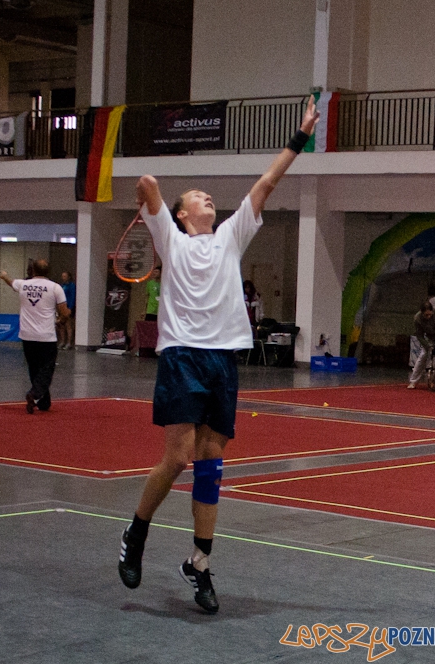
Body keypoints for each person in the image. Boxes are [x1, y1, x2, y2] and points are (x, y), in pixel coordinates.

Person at [118, 95, 320, 614]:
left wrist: (300, 137)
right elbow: (151, 196)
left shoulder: (232, 236)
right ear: (183, 215)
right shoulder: (171, 238)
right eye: (199, 198)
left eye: (210, 197)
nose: (209, 199)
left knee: (210, 463)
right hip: (183, 356)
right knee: (178, 456)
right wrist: (150, 188)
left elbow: (266, 184)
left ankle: (200, 565)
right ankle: (136, 534)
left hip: (222, 361)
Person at [0, 259, 70, 413]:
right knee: (46, 368)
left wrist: (4, 276)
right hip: (46, 336)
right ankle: (34, 394)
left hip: (27, 335)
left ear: (33, 271)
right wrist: (61, 321)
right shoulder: (55, 288)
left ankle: (43, 402)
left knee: (34, 368)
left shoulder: (23, 285)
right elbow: (64, 312)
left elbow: (11, 282)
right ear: (48, 272)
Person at [57, 271, 76, 349]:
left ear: (69, 277)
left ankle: (69, 343)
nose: (63, 278)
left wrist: (70, 308)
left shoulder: (71, 286)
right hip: (61, 307)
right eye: (62, 276)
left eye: (65, 276)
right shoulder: (62, 286)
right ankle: (62, 341)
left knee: (68, 325)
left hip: (68, 307)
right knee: (61, 325)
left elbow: (72, 297)